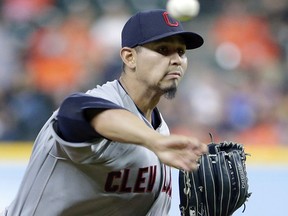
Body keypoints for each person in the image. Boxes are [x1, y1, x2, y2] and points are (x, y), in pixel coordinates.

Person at [2, 9, 207, 216]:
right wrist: (152, 140)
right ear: (129, 57)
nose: (176, 60)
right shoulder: (102, 103)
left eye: (181, 52)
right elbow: (74, 112)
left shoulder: (160, 130)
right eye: (163, 50)